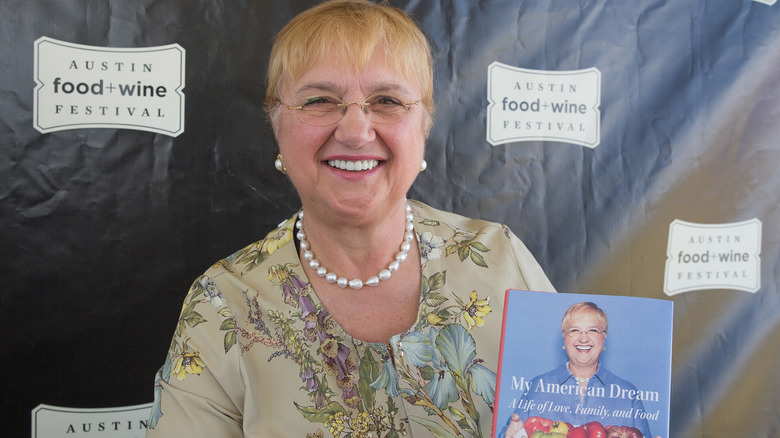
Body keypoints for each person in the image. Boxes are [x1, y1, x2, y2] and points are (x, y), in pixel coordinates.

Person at [146, 0, 554, 436]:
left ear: (424, 126)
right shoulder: (223, 306)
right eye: (320, 100)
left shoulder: (500, 262)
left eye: (387, 101)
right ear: (277, 125)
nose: (356, 132)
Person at [501, 302, 655, 438]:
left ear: (604, 339)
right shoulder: (537, 387)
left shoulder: (628, 394)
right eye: (574, 330)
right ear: (564, 338)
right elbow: (511, 432)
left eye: (593, 330)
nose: (583, 338)